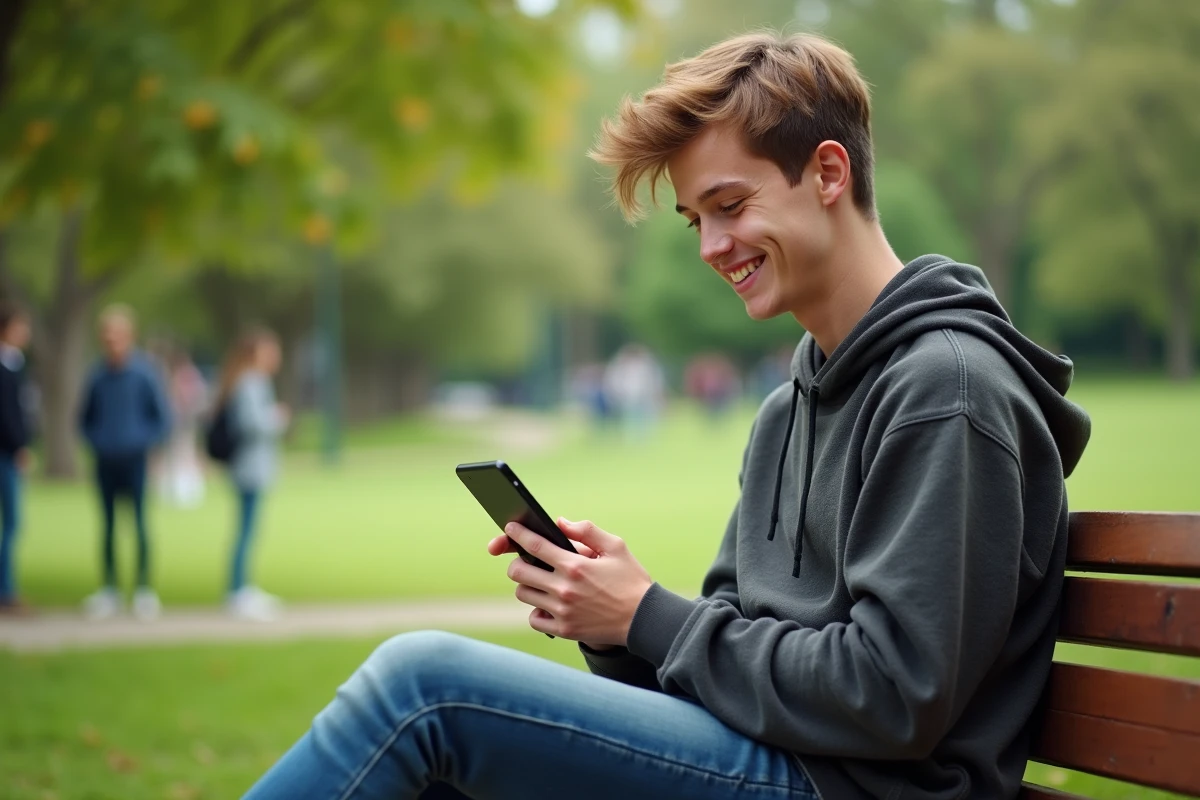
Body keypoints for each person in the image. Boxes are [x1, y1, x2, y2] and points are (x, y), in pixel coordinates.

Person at [244, 32, 1091, 800]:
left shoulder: (947, 390)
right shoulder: (786, 411)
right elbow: (719, 667)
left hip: (853, 789)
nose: (711, 248)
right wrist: (614, 626)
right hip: (780, 759)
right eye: (696, 220)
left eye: (730, 206)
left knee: (422, 687)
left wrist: (648, 613)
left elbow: (894, 696)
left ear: (829, 174)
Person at [79, 305, 171, 621]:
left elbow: (161, 418)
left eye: (118, 335)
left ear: (129, 337)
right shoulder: (97, 374)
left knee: (141, 523)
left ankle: (144, 589)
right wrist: (99, 441)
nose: (112, 341)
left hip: (135, 460)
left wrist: (142, 442)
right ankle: (110, 589)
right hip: (106, 460)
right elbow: (85, 418)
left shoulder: (145, 373)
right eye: (107, 335)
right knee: (107, 526)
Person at [215, 327, 289, 621]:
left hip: (249, 467)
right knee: (246, 529)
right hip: (249, 468)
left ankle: (242, 587)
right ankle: (238, 590)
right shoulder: (251, 382)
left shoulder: (247, 381)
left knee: (247, 528)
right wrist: (277, 418)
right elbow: (252, 424)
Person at [0, 303, 33, 614]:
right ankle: (5, 590)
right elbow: (9, 415)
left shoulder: (14, 363)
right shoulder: (6, 367)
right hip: (5, 454)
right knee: (11, 523)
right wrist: (20, 446)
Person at [159, 346, 208, 507]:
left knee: (185, 453)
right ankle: (177, 489)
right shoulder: (175, 377)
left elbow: (197, 398)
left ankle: (187, 490)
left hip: (185, 421)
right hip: (177, 422)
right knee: (177, 455)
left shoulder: (188, 377)